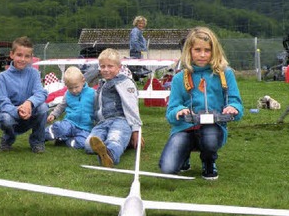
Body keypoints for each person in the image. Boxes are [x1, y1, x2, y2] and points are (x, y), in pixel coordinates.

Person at [158, 27, 243, 180]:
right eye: (197, 50)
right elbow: (171, 112)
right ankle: (184, 156)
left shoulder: (226, 74)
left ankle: (209, 161)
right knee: (168, 169)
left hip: (214, 126)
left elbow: (236, 102)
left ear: (214, 51)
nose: (202, 55)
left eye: (207, 50)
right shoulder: (179, 78)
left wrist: (233, 108)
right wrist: (179, 111)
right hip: (185, 128)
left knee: (210, 139)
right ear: (189, 51)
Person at [84, 48, 143, 168]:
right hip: (103, 122)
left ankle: (110, 155)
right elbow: (86, 80)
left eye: (110, 66)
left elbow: (131, 106)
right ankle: (118, 143)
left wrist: (136, 130)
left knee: (115, 138)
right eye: (102, 66)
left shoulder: (124, 82)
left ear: (119, 67)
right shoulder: (103, 83)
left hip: (120, 120)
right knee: (88, 145)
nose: (105, 70)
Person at [0, 36, 48, 153]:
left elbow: (41, 93)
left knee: (43, 107)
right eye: (19, 55)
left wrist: (29, 103)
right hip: (10, 115)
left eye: (27, 56)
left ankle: (37, 141)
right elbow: (2, 101)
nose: (22, 59)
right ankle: (8, 138)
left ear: (31, 58)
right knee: (5, 118)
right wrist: (17, 110)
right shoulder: (2, 77)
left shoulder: (34, 74)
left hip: (29, 113)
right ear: (11, 54)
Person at [45, 66, 95, 149]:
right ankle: (41, 136)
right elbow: (61, 106)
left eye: (76, 87)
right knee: (61, 128)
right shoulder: (67, 94)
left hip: (85, 127)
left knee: (83, 143)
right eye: (70, 88)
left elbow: (97, 108)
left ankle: (65, 141)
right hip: (70, 122)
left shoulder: (92, 93)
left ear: (83, 81)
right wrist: (54, 114)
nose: (74, 90)